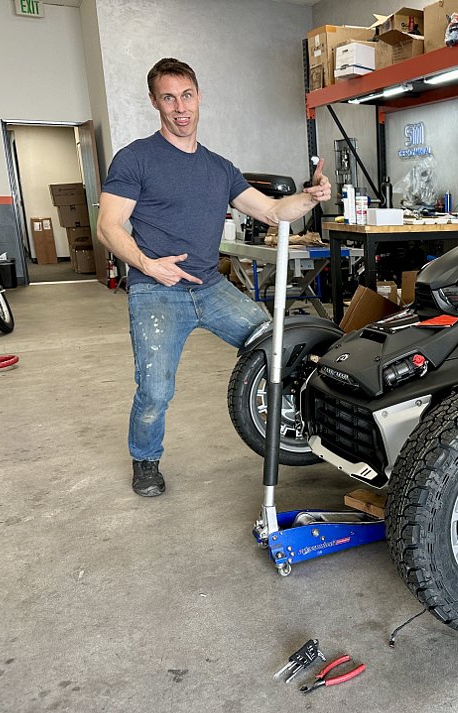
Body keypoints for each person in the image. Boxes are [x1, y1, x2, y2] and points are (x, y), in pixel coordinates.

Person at [97, 57, 331, 497]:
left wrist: (309, 197)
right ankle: (145, 460)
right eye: (169, 98)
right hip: (156, 290)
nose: (180, 107)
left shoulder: (218, 167)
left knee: (276, 343)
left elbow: (272, 211)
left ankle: (303, 425)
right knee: (155, 389)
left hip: (210, 287)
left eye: (186, 96)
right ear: (154, 102)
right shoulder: (136, 159)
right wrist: (148, 265)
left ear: (199, 97)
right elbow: (108, 226)